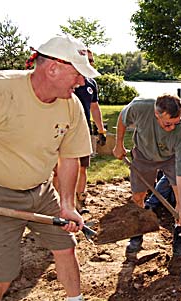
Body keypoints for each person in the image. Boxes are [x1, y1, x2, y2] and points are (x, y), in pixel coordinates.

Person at [0, 35, 109, 301]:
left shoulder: (70, 106)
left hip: (40, 190)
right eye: (78, 73)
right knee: (1, 276)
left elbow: (69, 157)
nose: (82, 82)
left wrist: (67, 205)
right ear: (53, 68)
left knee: (65, 246)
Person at [112, 95, 181, 258]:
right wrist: (118, 144)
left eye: (176, 123)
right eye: (168, 124)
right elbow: (123, 117)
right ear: (157, 114)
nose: (172, 128)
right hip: (144, 154)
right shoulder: (140, 107)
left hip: (171, 158)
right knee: (138, 196)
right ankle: (137, 233)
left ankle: (180, 240)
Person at [73, 50, 106, 212]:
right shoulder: (69, 81)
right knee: (59, 170)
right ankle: (59, 204)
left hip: (84, 131)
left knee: (82, 167)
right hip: (64, 131)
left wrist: (101, 130)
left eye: (92, 60)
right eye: (89, 60)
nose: (92, 63)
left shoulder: (91, 83)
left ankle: (80, 200)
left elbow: (94, 107)